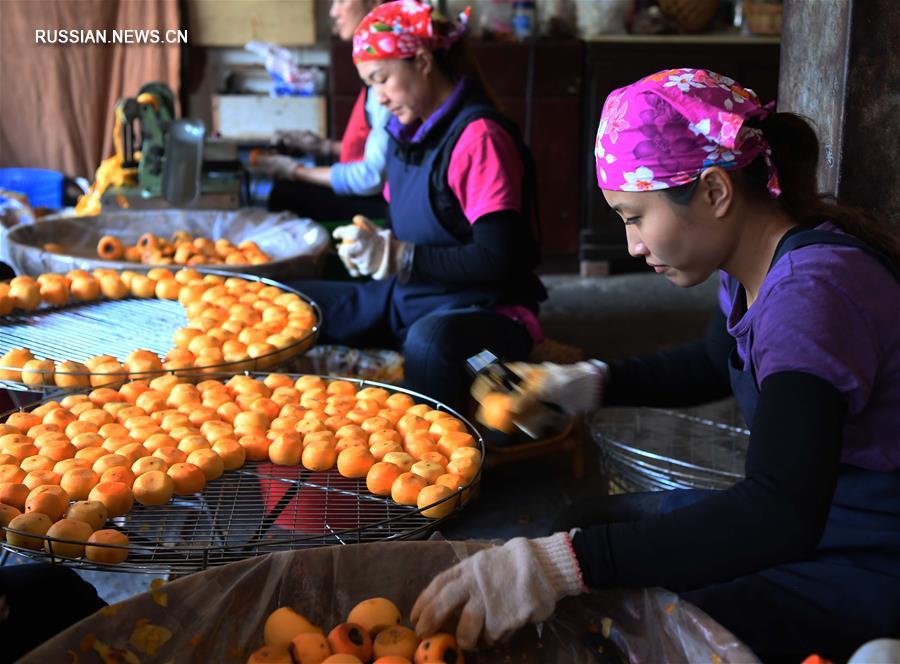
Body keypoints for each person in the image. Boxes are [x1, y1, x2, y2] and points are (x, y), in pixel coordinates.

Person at [411, 68, 900, 662]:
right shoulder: (757, 269)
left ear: (716, 191)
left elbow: (779, 512)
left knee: (634, 630)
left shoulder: (812, 295)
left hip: (868, 552)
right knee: (590, 520)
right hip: (823, 520)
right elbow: (712, 361)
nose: (633, 246)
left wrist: (566, 564)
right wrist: (587, 383)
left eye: (634, 217)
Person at [291, 0, 546, 411]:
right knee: (293, 305)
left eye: (383, 80)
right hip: (410, 298)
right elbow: (417, 221)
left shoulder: (479, 139)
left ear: (423, 61)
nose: (380, 99)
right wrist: (374, 245)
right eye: (370, 85)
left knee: (431, 345)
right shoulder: (401, 135)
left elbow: (496, 259)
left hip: (484, 315)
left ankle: (445, 451)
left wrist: (402, 257)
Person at [254, 0, 390, 221]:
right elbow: (381, 146)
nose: (334, 11)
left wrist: (296, 171)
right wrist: (324, 146)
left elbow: (371, 177)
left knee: (285, 194)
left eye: (342, 1)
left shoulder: (387, 82)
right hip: (375, 185)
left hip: (384, 202)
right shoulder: (375, 68)